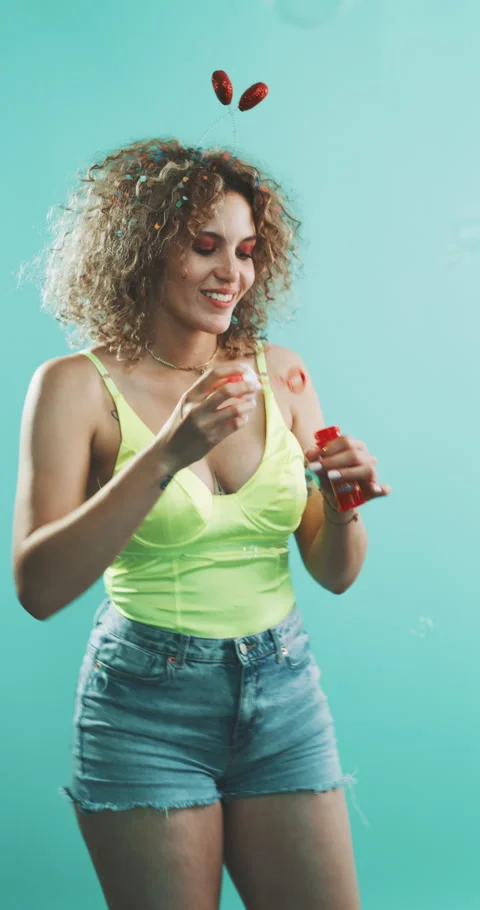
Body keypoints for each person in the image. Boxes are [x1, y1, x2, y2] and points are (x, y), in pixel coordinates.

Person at [13, 138, 390, 910]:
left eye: (247, 252)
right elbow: (38, 587)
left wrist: (347, 503)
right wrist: (167, 453)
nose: (233, 274)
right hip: (144, 707)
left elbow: (335, 572)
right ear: (143, 246)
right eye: (205, 246)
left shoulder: (281, 373)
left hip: (284, 694)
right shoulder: (73, 387)